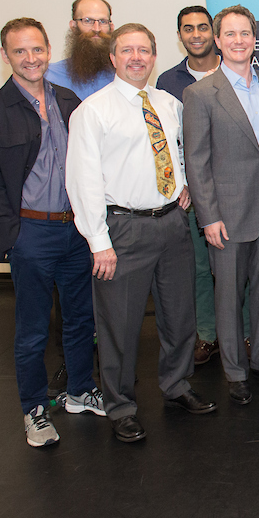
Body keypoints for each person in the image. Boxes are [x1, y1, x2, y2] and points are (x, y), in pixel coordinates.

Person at [66, 23, 216, 442]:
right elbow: (83, 181)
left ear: (154, 57)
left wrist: (182, 180)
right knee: (119, 325)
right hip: (123, 229)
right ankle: (121, 406)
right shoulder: (93, 111)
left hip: (172, 223)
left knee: (179, 315)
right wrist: (99, 242)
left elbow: (180, 150)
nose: (137, 57)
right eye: (128, 50)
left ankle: (177, 385)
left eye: (145, 51)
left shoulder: (168, 103)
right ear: (113, 58)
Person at [0, 17, 101, 448]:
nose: (31, 59)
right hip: (31, 234)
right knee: (32, 330)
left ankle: (80, 390)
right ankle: (34, 410)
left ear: (48, 52)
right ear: (5, 56)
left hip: (74, 232)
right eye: (20, 51)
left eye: (37, 50)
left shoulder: (68, 100)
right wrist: (12, 236)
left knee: (81, 320)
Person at [183, 5, 259, 406]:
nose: (239, 41)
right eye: (230, 34)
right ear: (218, 40)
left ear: (256, 38)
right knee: (229, 297)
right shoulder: (199, 94)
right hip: (227, 217)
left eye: (245, 34)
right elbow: (196, 162)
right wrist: (208, 217)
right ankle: (235, 370)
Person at [157, 5, 230, 365]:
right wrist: (179, 183)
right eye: (188, 29)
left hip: (236, 187)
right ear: (180, 35)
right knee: (201, 268)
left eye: (203, 27)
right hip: (192, 191)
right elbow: (165, 143)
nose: (196, 34)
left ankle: (243, 333)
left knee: (238, 266)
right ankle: (206, 335)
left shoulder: (237, 71)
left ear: (214, 34)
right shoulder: (168, 83)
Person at [46, 0, 117, 100]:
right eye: (88, 21)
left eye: (103, 21)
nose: (96, 29)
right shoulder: (49, 77)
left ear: (111, 27)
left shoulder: (122, 77)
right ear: (73, 26)